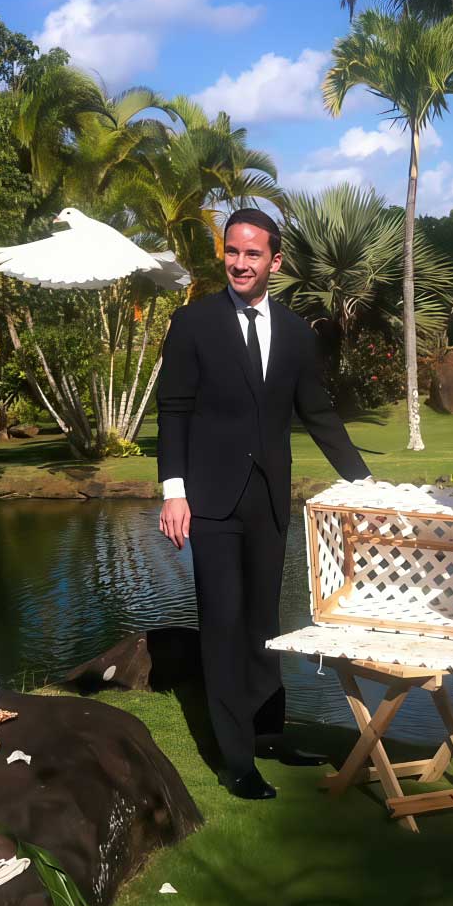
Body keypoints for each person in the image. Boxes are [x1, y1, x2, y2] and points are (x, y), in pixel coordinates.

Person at [156, 209, 371, 800]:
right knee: (223, 624)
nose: (240, 263)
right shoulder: (193, 324)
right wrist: (173, 492)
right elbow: (172, 411)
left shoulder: (298, 334)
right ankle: (236, 758)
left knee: (263, 623)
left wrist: (364, 483)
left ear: (274, 261)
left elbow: (319, 416)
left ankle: (269, 731)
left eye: (253, 254)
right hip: (210, 501)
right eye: (232, 252)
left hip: (269, 498)